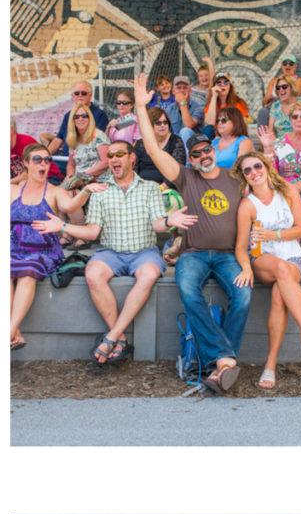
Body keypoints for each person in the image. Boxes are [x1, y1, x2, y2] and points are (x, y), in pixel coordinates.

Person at [134, 73, 251, 394]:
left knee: (243, 295)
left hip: (228, 255)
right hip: (194, 254)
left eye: (205, 150)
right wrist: (141, 108)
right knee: (188, 292)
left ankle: (220, 362)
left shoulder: (235, 177)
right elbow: (153, 150)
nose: (202, 156)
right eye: (196, 154)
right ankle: (225, 360)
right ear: (191, 159)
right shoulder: (185, 176)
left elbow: (265, 177)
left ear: (213, 150)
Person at [32, 137, 194, 364]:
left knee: (148, 275)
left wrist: (169, 221)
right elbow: (92, 232)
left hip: (143, 252)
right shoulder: (101, 190)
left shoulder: (150, 188)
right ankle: (120, 339)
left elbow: (158, 225)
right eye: (110, 155)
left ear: (132, 158)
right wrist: (63, 227)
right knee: (92, 274)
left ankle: (111, 337)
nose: (113, 159)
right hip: (110, 252)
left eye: (119, 154)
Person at [231, 150, 301, 388]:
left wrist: (274, 235)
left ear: (266, 167)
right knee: (280, 268)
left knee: (279, 295)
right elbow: (240, 247)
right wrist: (246, 268)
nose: (254, 172)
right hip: (263, 259)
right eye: (247, 171)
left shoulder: (288, 192)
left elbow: (300, 229)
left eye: (257, 166)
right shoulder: (247, 205)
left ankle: (270, 365)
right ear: (244, 177)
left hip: (292, 256)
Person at [11, 144, 89, 350]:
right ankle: (14, 333)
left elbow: (70, 206)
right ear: (26, 163)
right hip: (13, 246)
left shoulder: (55, 191)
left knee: (28, 271)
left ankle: (8, 332)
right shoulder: (12, 190)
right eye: (38, 159)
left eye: (47, 160)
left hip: (42, 249)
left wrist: (86, 191)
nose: (44, 164)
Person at [39, 81, 110, 173]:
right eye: (76, 93)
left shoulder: (99, 115)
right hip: (66, 159)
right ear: (72, 96)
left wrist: (81, 176)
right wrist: (44, 156)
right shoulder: (68, 115)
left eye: (83, 93)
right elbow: (58, 139)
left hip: (86, 164)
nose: (80, 95)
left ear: (90, 95)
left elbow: (101, 151)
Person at [132, 108, 186, 186]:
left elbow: (178, 170)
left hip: (168, 187)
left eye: (165, 122)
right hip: (143, 187)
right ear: (150, 125)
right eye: (158, 123)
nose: (162, 125)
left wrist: (163, 187)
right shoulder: (141, 143)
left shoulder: (175, 141)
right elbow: (134, 169)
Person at [63, 106, 110, 192]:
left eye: (84, 116)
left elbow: (106, 162)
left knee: (71, 194)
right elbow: (71, 164)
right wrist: (70, 177)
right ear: (72, 120)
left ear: (89, 118)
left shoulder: (99, 136)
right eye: (76, 117)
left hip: (98, 181)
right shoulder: (72, 138)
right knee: (59, 192)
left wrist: (82, 176)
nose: (80, 119)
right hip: (78, 181)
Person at [172, 76, 207, 146]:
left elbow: (188, 125)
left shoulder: (199, 107)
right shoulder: (169, 109)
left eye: (185, 88)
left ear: (190, 91)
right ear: (173, 91)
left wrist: (182, 102)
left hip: (194, 145)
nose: (182, 90)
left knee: (185, 131)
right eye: (179, 88)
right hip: (175, 145)